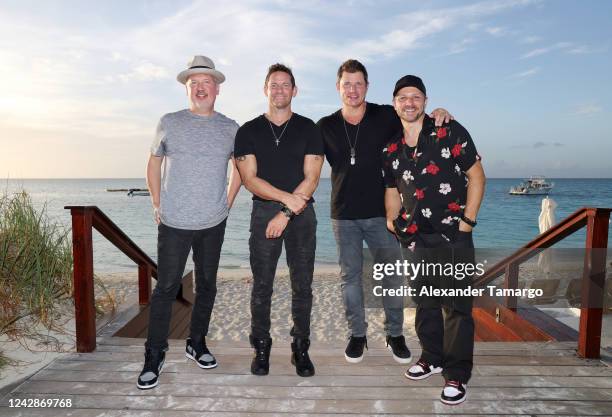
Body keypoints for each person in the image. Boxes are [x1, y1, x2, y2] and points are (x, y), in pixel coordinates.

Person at [317, 59, 452, 364]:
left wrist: (440, 113)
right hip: (344, 215)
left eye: (358, 83)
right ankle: (357, 335)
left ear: (367, 86)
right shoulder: (325, 126)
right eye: (347, 84)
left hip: (385, 214)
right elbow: (308, 164)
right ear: (338, 87)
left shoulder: (384, 115)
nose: (353, 89)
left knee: (391, 276)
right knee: (349, 278)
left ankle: (394, 334)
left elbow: (415, 115)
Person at [137, 55, 241, 390]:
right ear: (187, 88)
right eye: (193, 82)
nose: (200, 87)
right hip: (175, 221)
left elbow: (239, 168)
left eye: (206, 82)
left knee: (207, 286)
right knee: (166, 288)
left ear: (217, 88)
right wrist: (157, 202)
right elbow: (153, 164)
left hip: (213, 222)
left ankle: (197, 343)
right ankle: (154, 354)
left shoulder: (230, 128)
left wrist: (227, 201)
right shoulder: (169, 122)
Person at [382, 75, 485, 405]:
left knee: (456, 306)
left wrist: (467, 223)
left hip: (453, 234)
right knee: (424, 300)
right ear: (394, 102)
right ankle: (431, 356)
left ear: (425, 101)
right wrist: (392, 219)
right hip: (413, 238)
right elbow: (391, 189)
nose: (409, 102)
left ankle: (456, 373)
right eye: (402, 97)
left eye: (415, 96)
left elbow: (477, 176)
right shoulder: (391, 148)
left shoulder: (449, 130)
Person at [234, 64, 324, 377]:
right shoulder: (248, 131)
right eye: (274, 84)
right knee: (262, 287)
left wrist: (286, 213)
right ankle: (261, 347)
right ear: (265, 89)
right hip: (263, 213)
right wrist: (285, 202)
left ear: (294, 91)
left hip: (300, 216)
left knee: (303, 287)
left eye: (286, 85)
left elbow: (312, 177)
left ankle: (300, 348)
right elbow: (249, 179)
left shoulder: (309, 128)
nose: (280, 90)